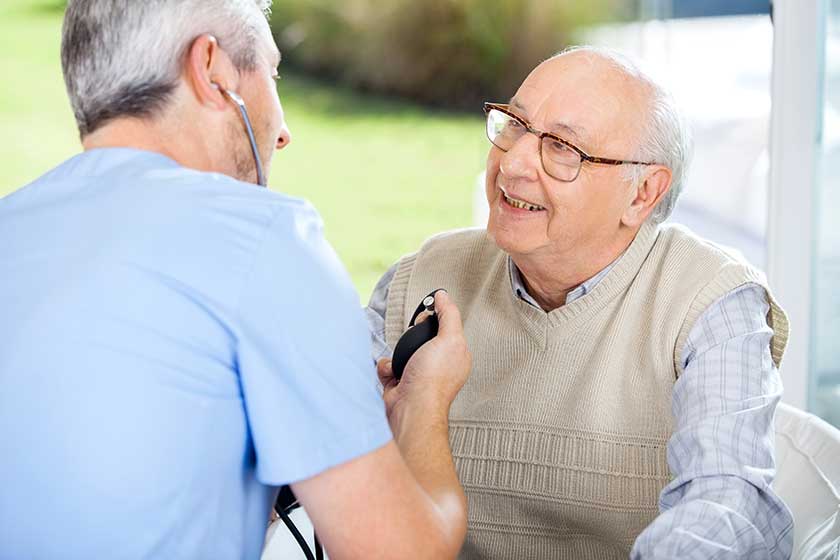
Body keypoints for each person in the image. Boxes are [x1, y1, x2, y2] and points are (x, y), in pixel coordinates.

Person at [0, 1, 471, 559]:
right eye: (271, 75)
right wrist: (425, 400)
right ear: (212, 69)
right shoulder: (265, 238)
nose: (283, 131)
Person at [367, 46, 793, 559]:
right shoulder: (424, 278)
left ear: (642, 195)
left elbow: (728, 506)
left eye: (563, 148)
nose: (515, 162)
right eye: (515, 125)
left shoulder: (711, 303)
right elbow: (314, 441)